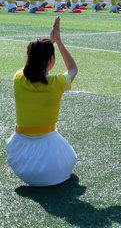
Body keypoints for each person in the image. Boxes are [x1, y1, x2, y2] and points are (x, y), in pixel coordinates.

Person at [6, 17, 78, 186]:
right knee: (69, 156)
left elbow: (28, 67)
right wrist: (57, 41)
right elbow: (73, 68)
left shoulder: (18, 79)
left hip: (22, 159)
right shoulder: (56, 83)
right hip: (52, 166)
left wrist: (44, 46)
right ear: (51, 60)